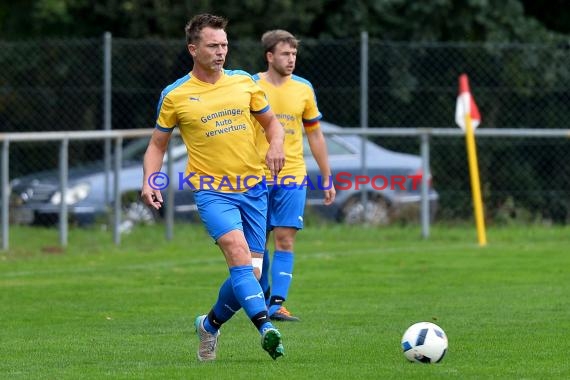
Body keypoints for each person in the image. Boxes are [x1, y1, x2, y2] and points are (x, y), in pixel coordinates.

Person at [140, 14, 286, 361]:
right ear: (193, 49)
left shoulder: (245, 83)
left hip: (254, 190)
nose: (221, 51)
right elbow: (157, 145)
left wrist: (276, 145)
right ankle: (266, 328)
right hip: (212, 192)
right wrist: (151, 180)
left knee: (250, 274)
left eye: (224, 45)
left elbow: (272, 125)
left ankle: (209, 325)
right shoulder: (175, 95)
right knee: (236, 252)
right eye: (213, 45)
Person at [254, 30, 336, 321]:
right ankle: (261, 301)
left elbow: (315, 135)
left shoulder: (304, 88)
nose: (291, 60)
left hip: (292, 175)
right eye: (285, 54)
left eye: (294, 54)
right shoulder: (250, 86)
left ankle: (277, 304)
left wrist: (327, 176)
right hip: (256, 176)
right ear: (270, 56)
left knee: (286, 239)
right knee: (257, 244)